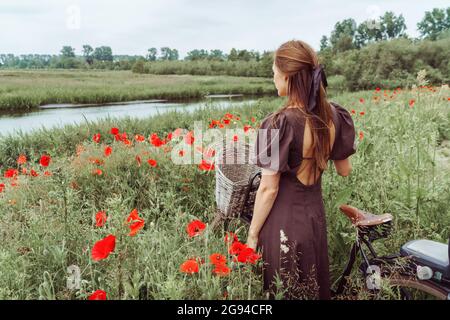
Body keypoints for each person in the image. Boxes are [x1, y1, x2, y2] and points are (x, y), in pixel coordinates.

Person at [247, 39, 357, 300]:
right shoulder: (334, 116)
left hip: (282, 223)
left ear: (287, 76)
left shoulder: (276, 123)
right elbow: (344, 170)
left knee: (284, 289)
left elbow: (268, 189)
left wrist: (252, 234)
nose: (273, 80)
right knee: (313, 288)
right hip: (314, 219)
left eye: (274, 74)